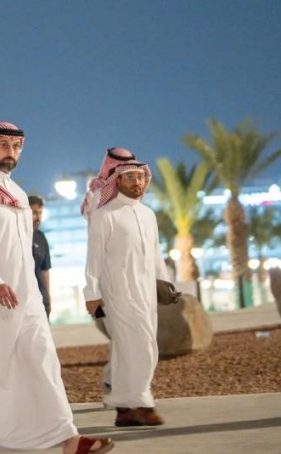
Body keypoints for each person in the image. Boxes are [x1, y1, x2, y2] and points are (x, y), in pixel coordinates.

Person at [0, 123, 113, 454]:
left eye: (16, 147)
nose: (11, 152)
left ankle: (68, 438)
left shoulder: (19, 195)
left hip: (27, 298)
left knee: (44, 362)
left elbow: (23, 252)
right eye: (4, 145)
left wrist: (35, 294)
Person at [83, 151, 171, 427]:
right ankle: (142, 403)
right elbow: (93, 258)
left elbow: (155, 253)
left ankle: (123, 408)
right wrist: (91, 294)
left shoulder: (148, 214)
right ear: (118, 181)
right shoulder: (105, 215)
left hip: (146, 292)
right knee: (144, 347)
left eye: (141, 177)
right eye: (130, 177)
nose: (137, 182)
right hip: (118, 293)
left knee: (126, 350)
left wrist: (164, 281)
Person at [28, 195, 52, 317]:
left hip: (41, 299)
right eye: (34, 213)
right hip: (24, 300)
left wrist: (48, 298)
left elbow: (44, 271)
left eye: (40, 213)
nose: (38, 218)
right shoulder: (15, 236)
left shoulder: (41, 237)